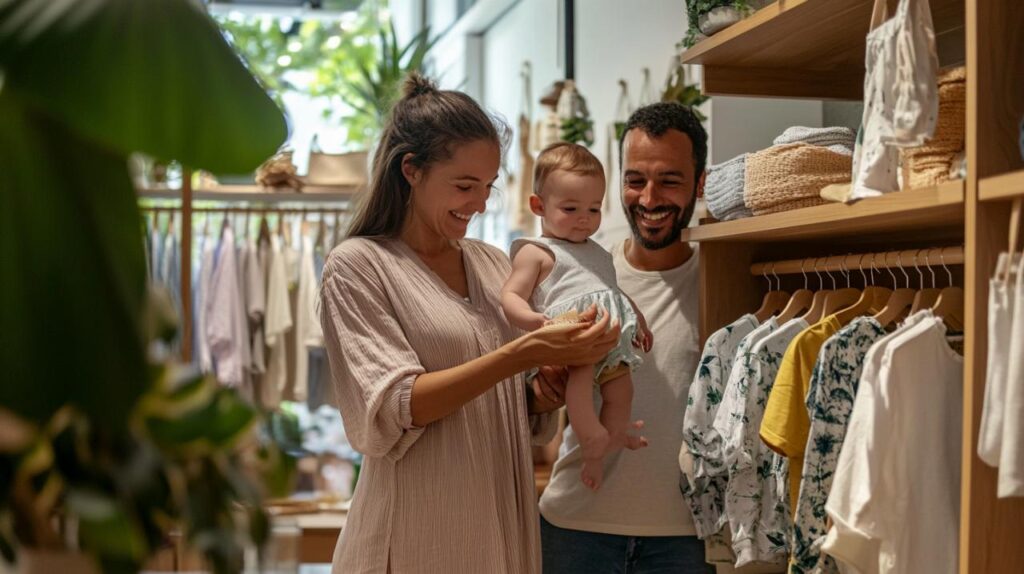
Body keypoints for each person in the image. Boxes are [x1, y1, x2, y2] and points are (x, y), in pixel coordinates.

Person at [318, 74, 620, 574]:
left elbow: (509, 403)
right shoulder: (357, 266)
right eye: (464, 185)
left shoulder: (492, 264)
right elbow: (398, 405)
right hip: (415, 537)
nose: (480, 204)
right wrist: (521, 355)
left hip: (498, 527)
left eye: (487, 187)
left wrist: (544, 387)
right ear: (411, 170)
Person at [538, 102, 712, 573]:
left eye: (669, 180)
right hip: (575, 528)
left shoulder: (724, 282)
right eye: (635, 180)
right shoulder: (582, 273)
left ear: (701, 183)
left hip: (685, 540)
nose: (649, 197)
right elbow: (532, 394)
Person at [501, 142, 653, 491]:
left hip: (610, 336)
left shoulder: (597, 252)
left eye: (594, 209)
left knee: (622, 389)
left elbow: (614, 291)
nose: (585, 218)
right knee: (580, 386)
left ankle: (607, 443)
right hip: (572, 334)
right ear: (538, 206)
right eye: (570, 208)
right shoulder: (537, 253)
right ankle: (590, 440)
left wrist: (639, 320)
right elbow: (510, 295)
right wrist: (536, 323)